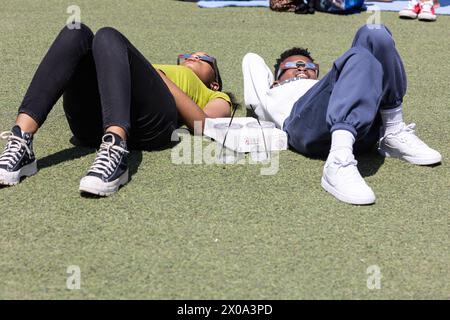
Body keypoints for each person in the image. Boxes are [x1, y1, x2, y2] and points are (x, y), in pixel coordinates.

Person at [0, 23, 231, 196]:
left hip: (150, 124)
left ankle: (115, 148)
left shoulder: (214, 94)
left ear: (215, 82)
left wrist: (163, 81)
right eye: (188, 56)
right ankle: (21, 142)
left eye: (204, 59)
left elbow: (207, 124)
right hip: (92, 124)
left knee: (108, 35)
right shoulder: (148, 69)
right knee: (76, 31)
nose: (193, 57)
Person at [242, 24, 442, 205]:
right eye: (292, 66)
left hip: (362, 135)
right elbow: (252, 59)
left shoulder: (331, 86)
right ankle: (338, 161)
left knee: (374, 32)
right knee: (360, 56)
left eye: (309, 66)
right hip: (304, 125)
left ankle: (392, 130)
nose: (302, 69)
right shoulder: (271, 91)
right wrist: (273, 81)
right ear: (276, 79)